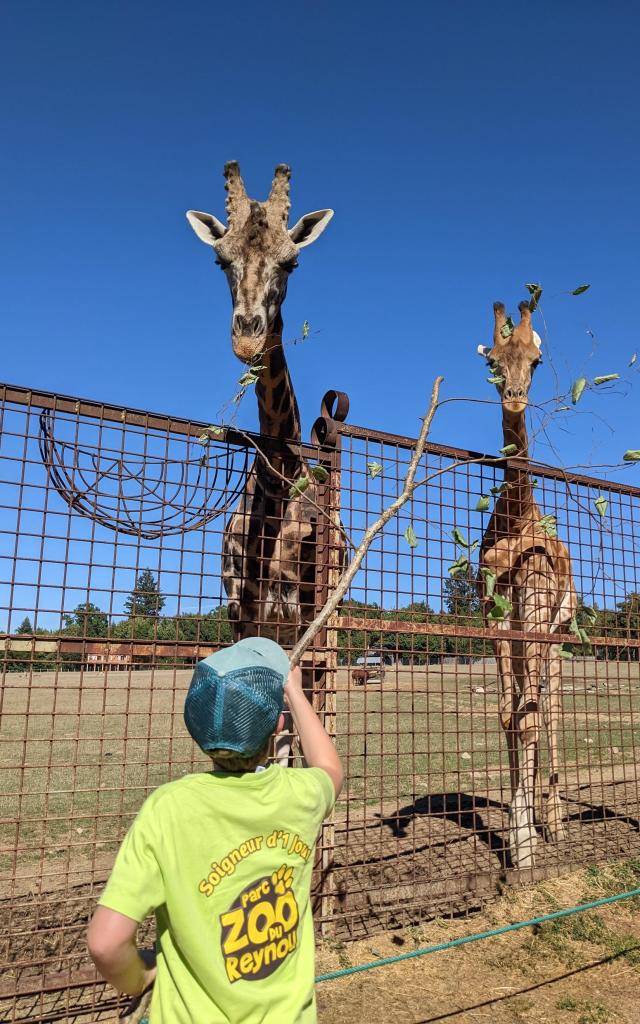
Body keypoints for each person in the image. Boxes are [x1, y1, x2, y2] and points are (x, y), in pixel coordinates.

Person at [87, 637, 343, 1023]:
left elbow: (105, 943)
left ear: (195, 725)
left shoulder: (170, 808)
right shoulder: (299, 796)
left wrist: (138, 979)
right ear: (278, 724)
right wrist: (294, 690)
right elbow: (330, 769)